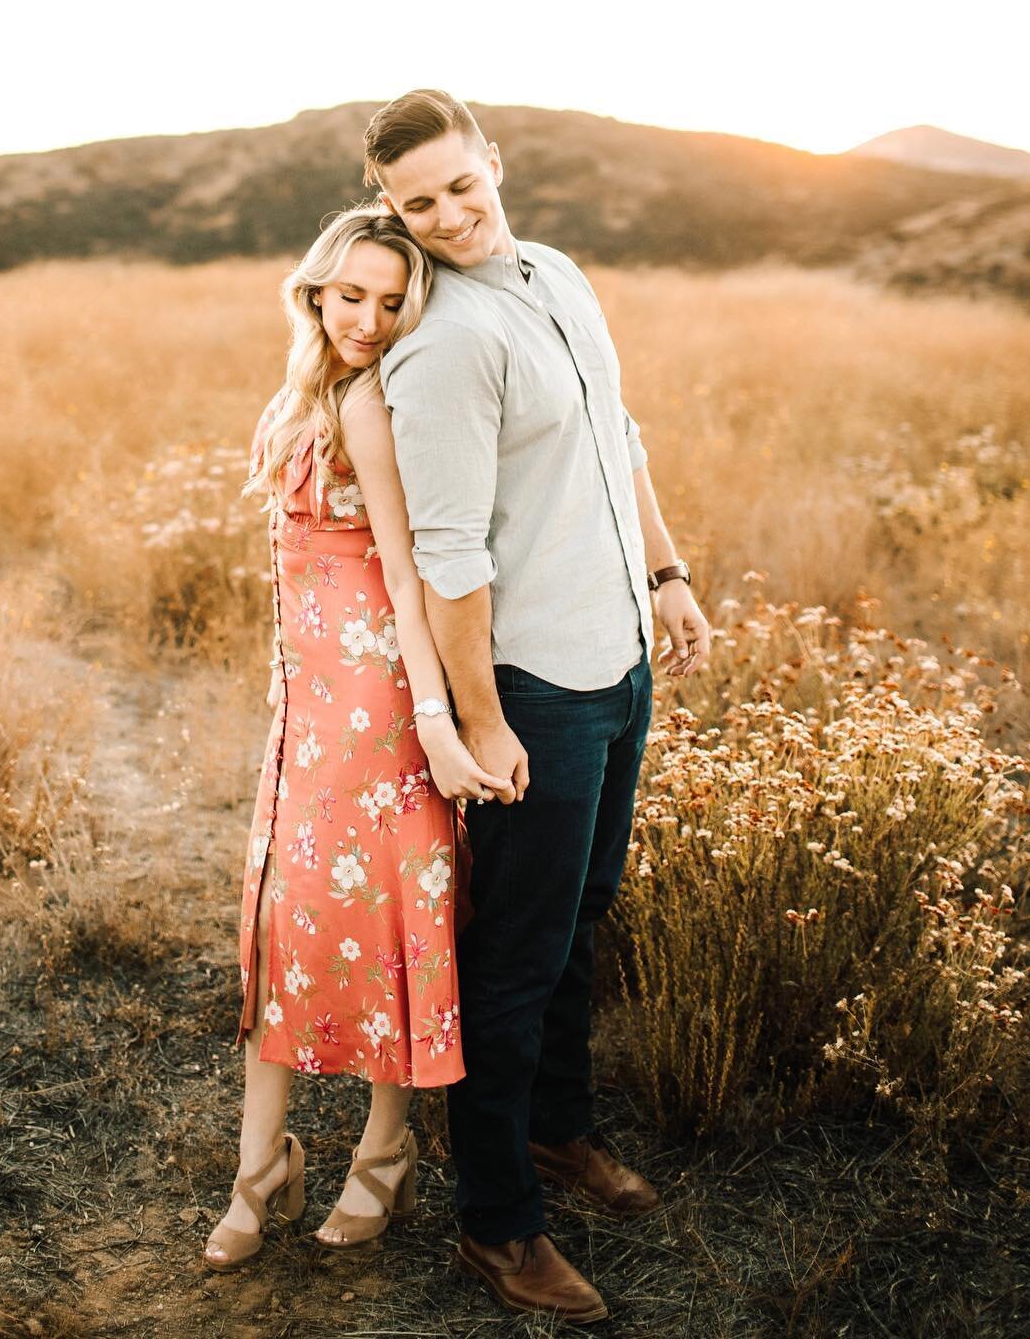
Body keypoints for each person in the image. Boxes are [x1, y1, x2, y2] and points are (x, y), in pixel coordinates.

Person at [366, 90, 712, 1326]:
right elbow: (450, 557)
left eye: (462, 186)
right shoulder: (447, 344)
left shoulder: (557, 273)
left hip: (619, 661)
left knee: (589, 916)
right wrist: (482, 721)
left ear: (494, 164)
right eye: (420, 204)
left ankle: (561, 1133)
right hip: (534, 694)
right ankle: (498, 1221)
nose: (450, 217)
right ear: (393, 211)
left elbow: (616, 435)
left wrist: (664, 575)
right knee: (514, 960)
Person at [204, 204, 509, 1271]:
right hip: (304, 714)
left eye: (392, 302)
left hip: (379, 714)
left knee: (385, 918)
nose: (369, 320)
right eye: (352, 296)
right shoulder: (304, 392)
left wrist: (435, 719)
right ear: (315, 289)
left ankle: (383, 1151)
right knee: (286, 919)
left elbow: (410, 573)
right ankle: (261, 1166)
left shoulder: (375, 407)